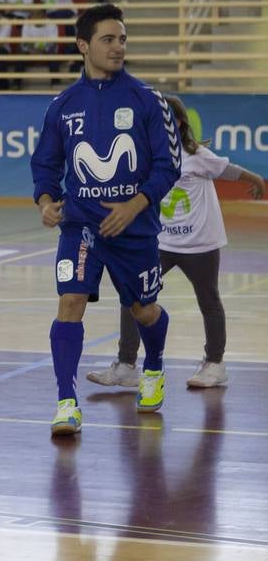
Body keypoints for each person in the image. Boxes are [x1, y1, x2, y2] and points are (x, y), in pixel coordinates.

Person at [29, 4, 180, 436]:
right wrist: (45, 201)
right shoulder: (62, 106)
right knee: (70, 303)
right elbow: (45, 164)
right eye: (108, 39)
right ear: (83, 45)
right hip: (80, 227)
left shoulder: (147, 100)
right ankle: (66, 403)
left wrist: (135, 205)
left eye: (123, 39)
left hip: (134, 229)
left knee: (144, 310)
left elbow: (168, 165)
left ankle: (152, 366)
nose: (118, 47)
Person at [92, 95, 265, 390]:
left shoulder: (197, 155)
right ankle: (127, 365)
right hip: (162, 243)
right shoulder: (147, 156)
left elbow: (230, 170)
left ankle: (215, 364)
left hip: (200, 243)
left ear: (179, 123)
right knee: (133, 296)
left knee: (208, 300)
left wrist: (257, 180)